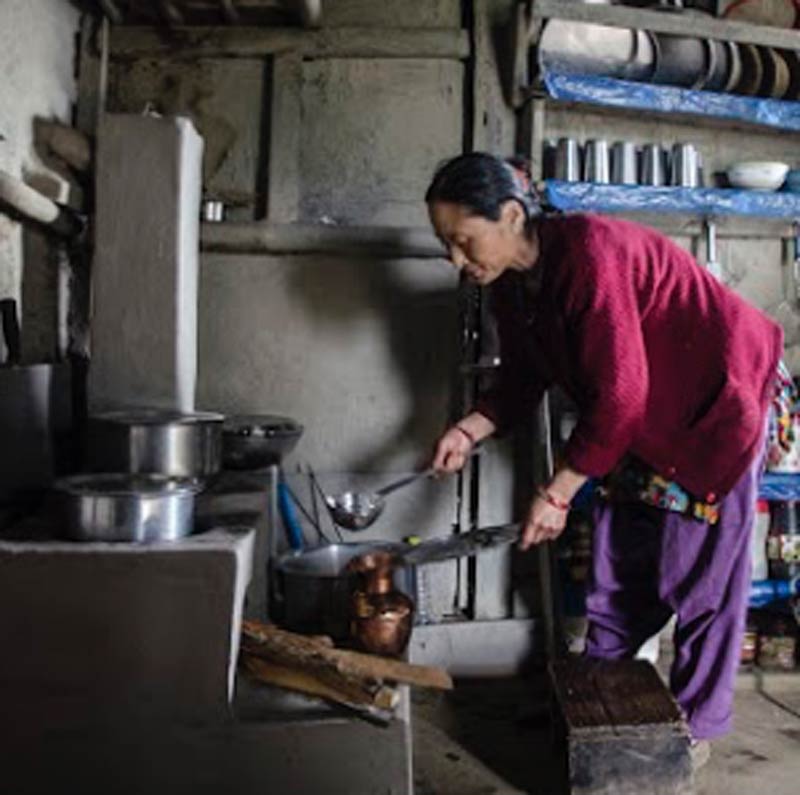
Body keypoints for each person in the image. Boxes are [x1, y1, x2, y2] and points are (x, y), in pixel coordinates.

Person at [425, 152, 787, 757]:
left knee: (698, 586)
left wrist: (557, 493)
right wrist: (466, 432)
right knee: (619, 572)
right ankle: (599, 702)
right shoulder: (511, 288)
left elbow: (619, 396)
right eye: (446, 245)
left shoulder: (591, 253)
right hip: (643, 424)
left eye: (463, 241)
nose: (455, 260)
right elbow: (523, 378)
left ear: (511, 215)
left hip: (714, 408)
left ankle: (692, 734)